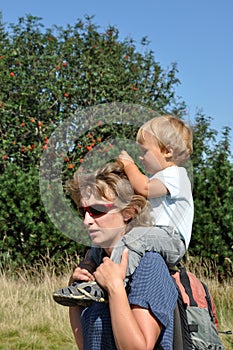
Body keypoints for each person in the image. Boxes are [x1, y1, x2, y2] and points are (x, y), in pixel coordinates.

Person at [53, 114, 193, 306]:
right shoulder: (160, 178)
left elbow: (143, 188)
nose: (141, 157)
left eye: (145, 151)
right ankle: (86, 276)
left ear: (167, 151)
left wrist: (128, 165)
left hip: (171, 238)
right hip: (155, 233)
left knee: (131, 240)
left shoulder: (176, 175)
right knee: (98, 246)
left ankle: (113, 283)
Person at [63, 161, 178, 349]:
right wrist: (74, 298)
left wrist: (116, 287)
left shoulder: (148, 264)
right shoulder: (99, 266)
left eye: (97, 210)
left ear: (128, 212)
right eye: (83, 211)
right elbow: (86, 344)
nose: (86, 220)